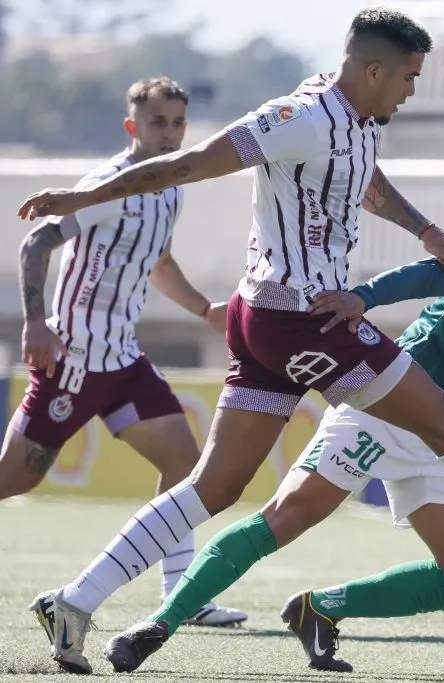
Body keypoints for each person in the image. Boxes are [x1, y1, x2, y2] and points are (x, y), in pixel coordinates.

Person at [16, 8, 444, 674]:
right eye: (407, 77)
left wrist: (424, 228)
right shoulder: (301, 116)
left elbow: (364, 184)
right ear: (372, 70)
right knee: (442, 415)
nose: (410, 92)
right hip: (299, 318)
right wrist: (77, 198)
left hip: (272, 320)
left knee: (215, 485)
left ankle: (74, 599)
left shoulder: (357, 122)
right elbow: (195, 163)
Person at [100, 167, 444, 673]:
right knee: (288, 516)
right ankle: (160, 622)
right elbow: (424, 275)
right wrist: (361, 298)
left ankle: (320, 609)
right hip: (389, 406)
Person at [1, 76, 247, 674]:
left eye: (178, 124)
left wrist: (204, 310)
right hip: (73, 362)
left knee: (187, 465)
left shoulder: (170, 188)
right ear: (132, 127)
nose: (170, 133)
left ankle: (180, 596)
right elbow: (37, 242)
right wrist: (37, 323)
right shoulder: (109, 188)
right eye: (158, 123)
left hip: (124, 359)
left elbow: (157, 260)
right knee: (14, 481)